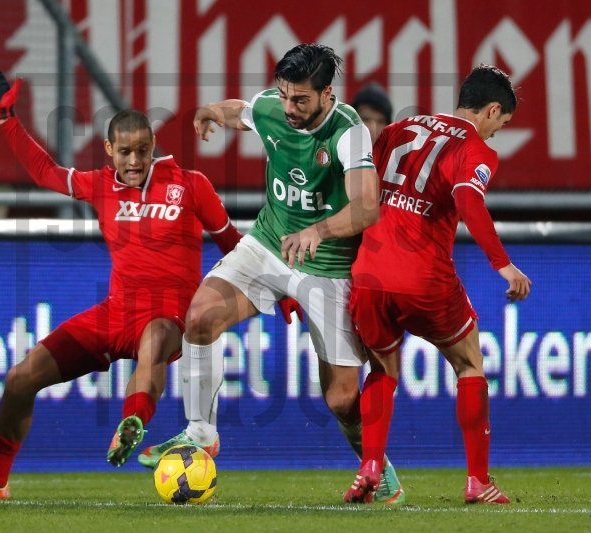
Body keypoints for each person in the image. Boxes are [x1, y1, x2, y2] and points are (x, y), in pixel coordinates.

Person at [0, 68, 300, 500]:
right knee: (21, 378)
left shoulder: (191, 186)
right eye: (125, 152)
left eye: (143, 151)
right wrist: (6, 118)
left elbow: (235, 244)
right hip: (113, 314)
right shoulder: (99, 185)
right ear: (109, 150)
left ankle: (132, 421)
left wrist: (279, 290)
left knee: (154, 346)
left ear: (153, 148)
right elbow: (45, 172)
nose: (134, 162)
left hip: (170, 315)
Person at [138, 44, 405, 504]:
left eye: (300, 100)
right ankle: (201, 433)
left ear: (327, 95)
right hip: (268, 244)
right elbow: (241, 110)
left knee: (342, 400)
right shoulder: (272, 108)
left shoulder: (349, 132)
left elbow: (366, 206)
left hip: (328, 267)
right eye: (284, 96)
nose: (289, 108)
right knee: (200, 317)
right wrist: (209, 112)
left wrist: (318, 230)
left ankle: (377, 472)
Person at [337, 65, 531, 504]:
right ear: (492, 109)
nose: (498, 132)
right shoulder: (475, 148)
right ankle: (478, 481)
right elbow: (468, 200)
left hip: (368, 274)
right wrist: (503, 265)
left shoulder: (399, 127)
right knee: (469, 363)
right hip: (422, 275)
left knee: (382, 371)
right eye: (502, 122)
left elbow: (358, 184)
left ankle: (370, 466)